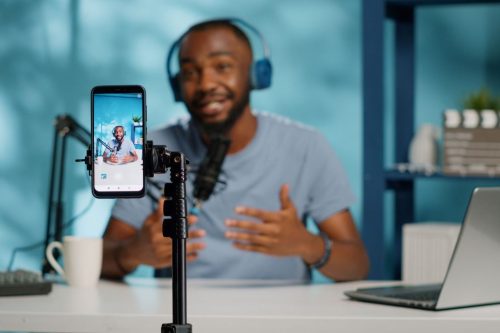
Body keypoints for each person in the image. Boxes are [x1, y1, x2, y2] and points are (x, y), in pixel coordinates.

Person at [101, 19, 369, 281]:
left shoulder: (307, 146)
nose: (206, 84)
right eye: (191, 72)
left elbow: (356, 266)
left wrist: (308, 245)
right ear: (177, 86)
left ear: (255, 75)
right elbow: (101, 260)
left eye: (222, 66)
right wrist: (132, 252)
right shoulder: (148, 150)